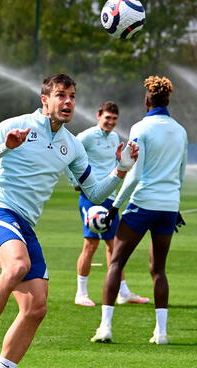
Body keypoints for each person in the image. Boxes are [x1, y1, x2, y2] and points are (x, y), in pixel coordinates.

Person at [0, 74, 138, 368]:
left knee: (36, 308)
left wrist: (120, 170)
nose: (68, 102)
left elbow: (94, 193)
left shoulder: (72, 145)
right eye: (60, 95)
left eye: (72, 96)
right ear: (45, 100)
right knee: (18, 266)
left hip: (25, 224)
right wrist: (6, 147)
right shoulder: (14, 126)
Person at [90, 76, 187, 345]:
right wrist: (175, 207)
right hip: (168, 207)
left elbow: (134, 175)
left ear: (147, 100)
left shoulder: (140, 128)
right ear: (168, 99)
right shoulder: (180, 130)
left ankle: (105, 328)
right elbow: (181, 174)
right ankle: (162, 333)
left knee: (116, 263)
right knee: (159, 270)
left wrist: (113, 206)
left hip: (143, 204)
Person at [65, 101, 149, 307]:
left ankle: (123, 292)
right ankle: (81, 293)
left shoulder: (114, 138)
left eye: (114, 119)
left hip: (110, 198)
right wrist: (75, 182)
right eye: (107, 118)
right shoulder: (86, 136)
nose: (111, 122)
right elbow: (66, 158)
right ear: (98, 116)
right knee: (91, 244)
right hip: (91, 197)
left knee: (114, 246)